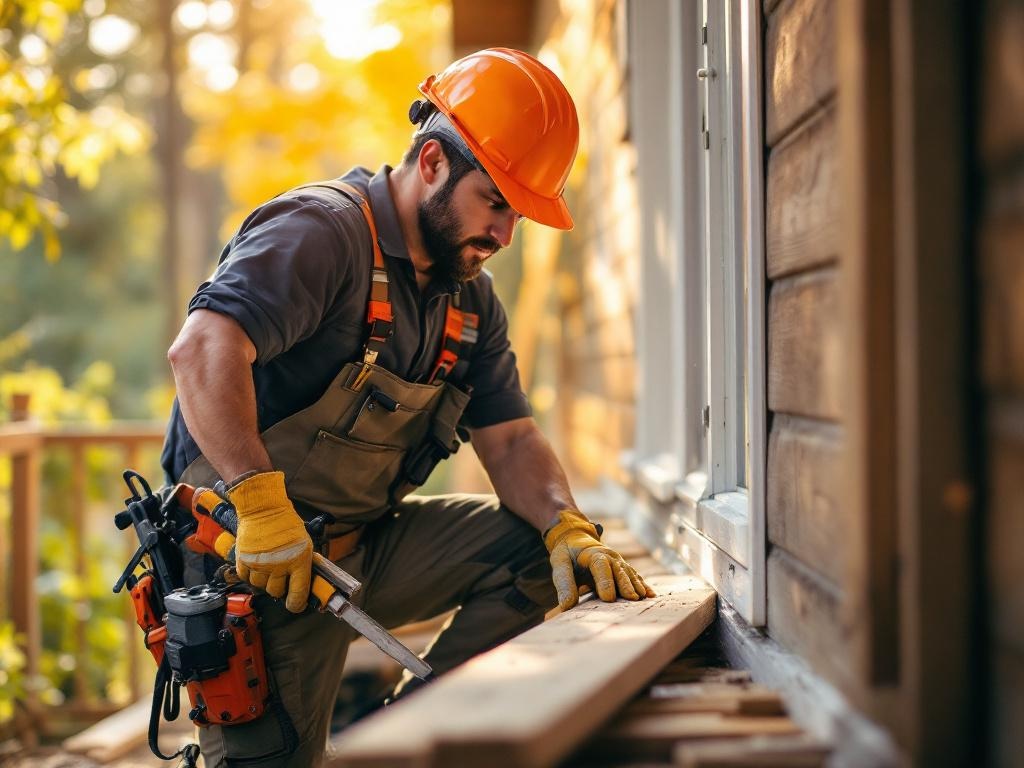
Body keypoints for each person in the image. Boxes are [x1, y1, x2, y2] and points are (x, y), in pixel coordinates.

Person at [160, 47, 654, 767]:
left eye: (518, 216)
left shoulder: (470, 300)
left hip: (361, 553)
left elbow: (512, 441)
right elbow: (202, 348)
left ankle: (412, 738)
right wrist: (260, 504)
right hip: (251, 571)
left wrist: (566, 524)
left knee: (538, 555)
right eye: (495, 203)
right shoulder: (321, 232)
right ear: (431, 161)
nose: (504, 235)